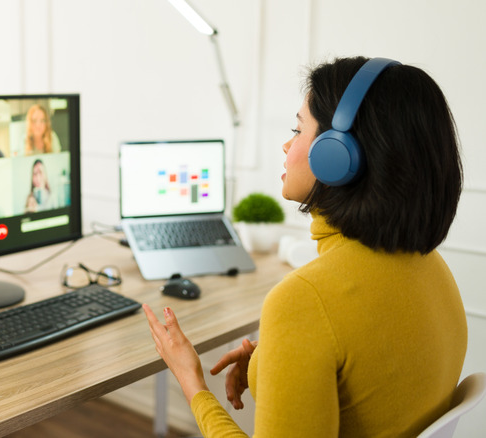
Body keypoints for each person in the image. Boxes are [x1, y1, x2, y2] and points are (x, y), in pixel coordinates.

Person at [144, 56, 466, 437]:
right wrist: (275, 357)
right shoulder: (433, 269)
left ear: (336, 156)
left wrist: (192, 383)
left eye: (297, 130)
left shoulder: (304, 302)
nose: (286, 145)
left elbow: (326, 320)